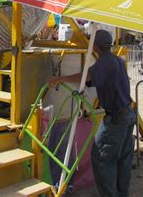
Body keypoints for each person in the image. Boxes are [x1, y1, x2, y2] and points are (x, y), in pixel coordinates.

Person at [49, 29, 135, 197]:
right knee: (123, 158)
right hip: (127, 113)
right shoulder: (117, 60)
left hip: (116, 118)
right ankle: (122, 193)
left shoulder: (103, 63)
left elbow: (86, 77)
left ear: (95, 46)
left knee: (101, 157)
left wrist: (59, 79)